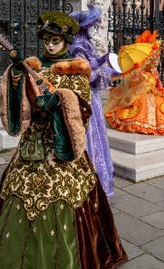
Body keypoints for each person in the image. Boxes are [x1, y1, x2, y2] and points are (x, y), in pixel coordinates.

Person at [0, 10, 127, 269]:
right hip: (33, 145)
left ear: (66, 41)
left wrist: (59, 102)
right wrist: (15, 78)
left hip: (61, 148)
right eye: (46, 39)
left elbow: (83, 108)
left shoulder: (77, 68)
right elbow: (20, 96)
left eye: (55, 40)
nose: (49, 45)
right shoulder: (35, 65)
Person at [68, 5, 119, 199]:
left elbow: (91, 65)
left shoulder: (85, 44)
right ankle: (86, 185)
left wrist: (104, 60)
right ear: (83, 27)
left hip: (93, 97)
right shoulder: (77, 46)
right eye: (92, 26)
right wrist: (109, 72)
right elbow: (85, 75)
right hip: (84, 97)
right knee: (88, 137)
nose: (94, 29)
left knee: (97, 137)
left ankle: (98, 182)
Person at [104, 30, 164, 135]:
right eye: (154, 59)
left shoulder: (153, 72)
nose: (156, 62)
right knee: (141, 107)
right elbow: (133, 86)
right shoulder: (138, 71)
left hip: (152, 95)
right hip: (139, 96)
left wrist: (153, 84)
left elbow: (157, 85)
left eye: (157, 59)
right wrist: (144, 81)